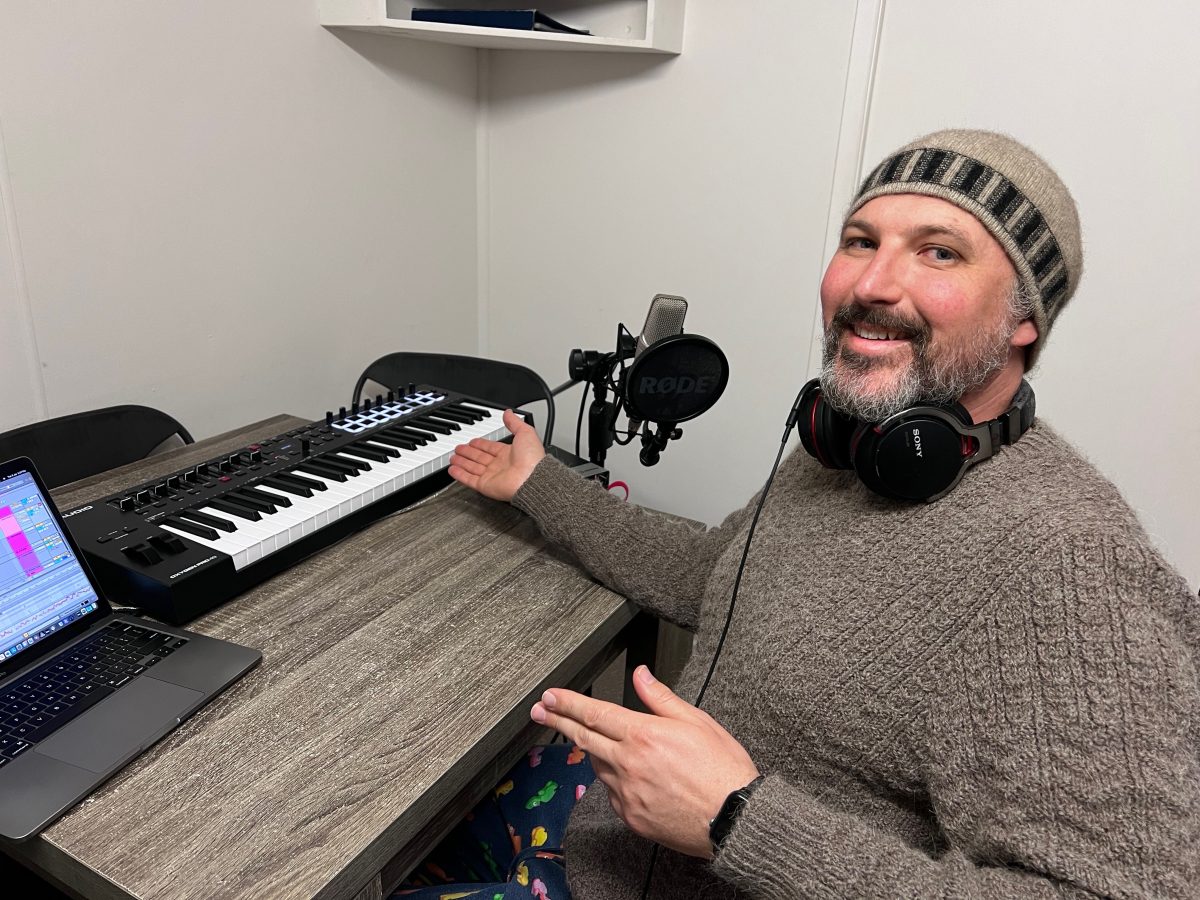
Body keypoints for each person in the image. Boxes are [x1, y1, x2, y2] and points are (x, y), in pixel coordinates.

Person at [415, 130, 1200, 899]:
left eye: (940, 252)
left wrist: (738, 820)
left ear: (1025, 320)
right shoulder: (849, 452)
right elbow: (716, 574)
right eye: (861, 241)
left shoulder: (1069, 563)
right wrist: (539, 484)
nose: (872, 284)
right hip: (613, 848)